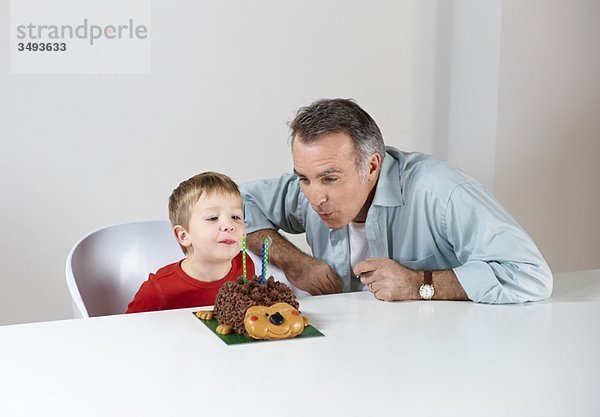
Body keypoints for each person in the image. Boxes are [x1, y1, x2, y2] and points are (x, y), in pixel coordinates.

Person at [240, 98, 552, 304]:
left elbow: (530, 275)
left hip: (440, 361)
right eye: (304, 178)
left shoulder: (440, 191)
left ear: (372, 166)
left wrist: (418, 283)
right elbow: (233, 205)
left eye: (330, 179)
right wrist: (296, 262)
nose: (315, 197)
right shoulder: (308, 187)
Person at [126, 172, 255, 313]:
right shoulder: (158, 290)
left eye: (236, 217)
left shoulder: (245, 265)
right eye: (213, 218)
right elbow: (129, 329)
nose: (229, 225)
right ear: (184, 236)